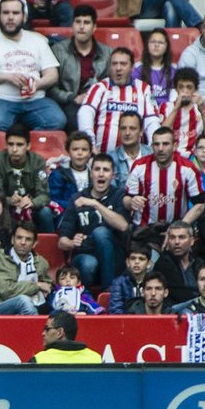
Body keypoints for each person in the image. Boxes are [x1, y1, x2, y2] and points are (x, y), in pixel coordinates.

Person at [0, 0, 64, 132]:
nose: (10, 17)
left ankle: (26, 148)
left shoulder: (37, 40)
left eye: (15, 13)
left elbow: (52, 74)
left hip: (34, 101)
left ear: (24, 17)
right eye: (6, 13)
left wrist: (38, 84)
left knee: (56, 120)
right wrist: (7, 77)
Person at [57, 153, 128, 291]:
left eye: (106, 170)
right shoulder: (77, 198)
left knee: (100, 232)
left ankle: (108, 291)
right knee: (89, 263)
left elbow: (123, 225)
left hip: (114, 259)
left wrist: (95, 204)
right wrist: (72, 243)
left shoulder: (118, 195)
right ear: (91, 173)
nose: (101, 174)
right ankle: (85, 299)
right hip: (86, 256)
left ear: (112, 175)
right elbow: (61, 242)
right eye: (97, 169)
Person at [77, 47, 161, 155]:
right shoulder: (98, 88)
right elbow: (85, 113)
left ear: (132, 67)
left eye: (123, 64)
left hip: (135, 160)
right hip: (102, 157)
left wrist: (152, 146)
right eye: (114, 64)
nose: (118, 68)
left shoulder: (146, 89)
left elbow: (152, 120)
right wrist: (90, 144)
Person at [124, 126, 203, 227]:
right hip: (144, 230)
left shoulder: (188, 168)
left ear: (175, 146)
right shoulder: (139, 166)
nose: (160, 149)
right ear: (152, 146)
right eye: (156, 144)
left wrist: (180, 227)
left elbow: (200, 204)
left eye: (165, 144)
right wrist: (131, 202)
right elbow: (126, 199)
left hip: (176, 231)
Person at [50, 5, 111, 130]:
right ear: (72, 25)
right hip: (69, 102)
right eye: (78, 22)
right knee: (75, 120)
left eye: (86, 22)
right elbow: (51, 89)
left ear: (94, 27)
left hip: (99, 102)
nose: (81, 27)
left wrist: (94, 97)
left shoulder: (108, 53)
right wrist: (73, 97)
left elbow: (111, 85)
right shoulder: (58, 51)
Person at [0, 124, 55, 232]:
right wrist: (10, 200)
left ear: (28, 145)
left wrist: (32, 202)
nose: (14, 149)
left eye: (19, 145)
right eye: (11, 144)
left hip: (31, 207)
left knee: (45, 212)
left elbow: (44, 195)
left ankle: (48, 246)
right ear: (6, 145)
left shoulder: (37, 161)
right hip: (7, 208)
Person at [0, 221, 52, 315]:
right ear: (12, 239)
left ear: (34, 243)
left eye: (28, 239)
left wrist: (47, 288)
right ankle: (34, 329)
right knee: (23, 300)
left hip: (35, 304)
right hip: (0, 306)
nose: (23, 242)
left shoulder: (41, 262)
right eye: (19, 238)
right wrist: (36, 286)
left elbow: (47, 284)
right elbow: (6, 291)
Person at [164, 68, 205, 159]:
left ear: (195, 89)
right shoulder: (166, 107)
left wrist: (203, 112)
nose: (185, 91)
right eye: (181, 87)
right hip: (170, 156)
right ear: (176, 89)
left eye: (189, 87)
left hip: (194, 157)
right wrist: (176, 109)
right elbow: (162, 134)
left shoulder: (202, 108)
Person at [153, 220, 202, 305]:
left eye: (181, 237)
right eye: (172, 237)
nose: (176, 242)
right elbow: (176, 293)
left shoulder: (199, 263)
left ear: (192, 241)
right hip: (173, 312)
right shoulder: (162, 264)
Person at [31, 311, 102, 364]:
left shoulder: (39, 360)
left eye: (47, 329)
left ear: (60, 332)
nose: (43, 333)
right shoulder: (96, 359)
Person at [134, 28, 178, 107]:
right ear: (147, 45)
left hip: (168, 111)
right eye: (153, 42)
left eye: (160, 42)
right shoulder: (137, 69)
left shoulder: (175, 70)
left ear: (167, 47)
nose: (156, 45)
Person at [109, 111, 151, 189]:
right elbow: (112, 194)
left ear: (141, 132)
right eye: (123, 128)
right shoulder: (110, 159)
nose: (127, 133)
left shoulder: (152, 154)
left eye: (132, 128)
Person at [108, 245, 153, 314]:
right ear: (127, 262)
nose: (137, 262)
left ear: (149, 264)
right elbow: (115, 311)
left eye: (141, 259)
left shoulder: (154, 282)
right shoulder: (119, 283)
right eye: (133, 258)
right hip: (125, 323)